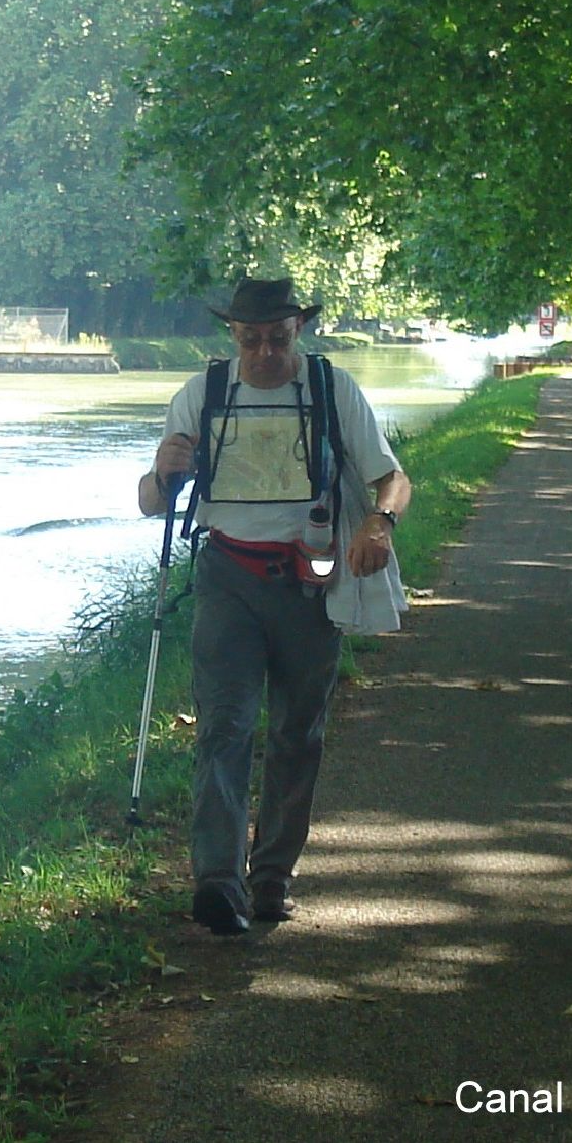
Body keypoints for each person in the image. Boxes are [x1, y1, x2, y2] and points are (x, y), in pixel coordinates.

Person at [139, 278, 413, 936]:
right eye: (251, 339)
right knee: (223, 727)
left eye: (278, 338)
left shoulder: (331, 389)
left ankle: (271, 878)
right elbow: (151, 502)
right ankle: (217, 881)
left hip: (308, 581)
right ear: (233, 334)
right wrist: (162, 470)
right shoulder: (202, 393)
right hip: (227, 577)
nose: (265, 352)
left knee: (298, 733)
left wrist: (379, 523)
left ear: (299, 330)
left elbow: (392, 478)